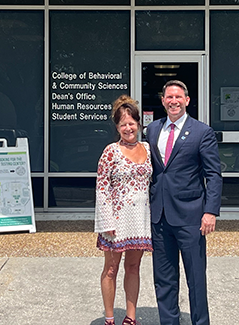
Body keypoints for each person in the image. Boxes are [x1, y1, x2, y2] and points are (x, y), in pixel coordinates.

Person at [146, 80, 223, 325]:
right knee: (164, 278)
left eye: (178, 97)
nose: (173, 101)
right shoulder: (153, 130)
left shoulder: (202, 131)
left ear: (187, 100)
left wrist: (210, 211)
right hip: (160, 217)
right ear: (163, 101)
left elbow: (213, 175)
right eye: (169, 97)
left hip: (191, 217)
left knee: (196, 279)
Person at [94, 95, 152, 325]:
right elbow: (101, 187)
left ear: (138, 124)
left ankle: (130, 317)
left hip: (139, 220)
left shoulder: (147, 148)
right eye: (123, 124)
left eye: (132, 123)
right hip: (116, 221)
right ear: (117, 127)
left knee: (133, 267)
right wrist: (106, 222)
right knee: (111, 268)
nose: (128, 128)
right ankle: (110, 318)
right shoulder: (110, 152)